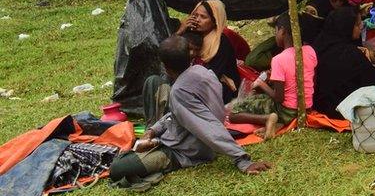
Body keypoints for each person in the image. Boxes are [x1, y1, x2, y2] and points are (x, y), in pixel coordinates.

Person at [109, 36, 271, 185]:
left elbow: (208, 126)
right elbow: (177, 114)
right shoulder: (204, 71)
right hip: (183, 135)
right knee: (153, 82)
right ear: (191, 56)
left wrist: (242, 159)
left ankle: (158, 152)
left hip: (184, 152)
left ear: (165, 66)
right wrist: (153, 130)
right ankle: (150, 140)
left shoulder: (179, 92)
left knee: (118, 167)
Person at [228, 13, 317, 136]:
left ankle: (268, 119)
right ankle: (279, 123)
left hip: (287, 111)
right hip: (306, 108)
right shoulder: (310, 51)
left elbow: (278, 98)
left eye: (275, 31)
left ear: (282, 31)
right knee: (261, 99)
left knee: (233, 114)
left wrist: (261, 84)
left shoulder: (279, 59)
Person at [312, 7, 375, 118]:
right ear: (346, 27)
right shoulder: (350, 54)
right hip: (346, 109)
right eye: (357, 25)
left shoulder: (319, 46)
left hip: (322, 106)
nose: (360, 28)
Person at [175, 0, 242, 103]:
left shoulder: (221, 42)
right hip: (190, 84)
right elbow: (169, 54)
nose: (197, 20)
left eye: (203, 17)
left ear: (215, 20)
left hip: (216, 90)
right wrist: (180, 31)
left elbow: (212, 77)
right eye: (195, 15)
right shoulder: (192, 35)